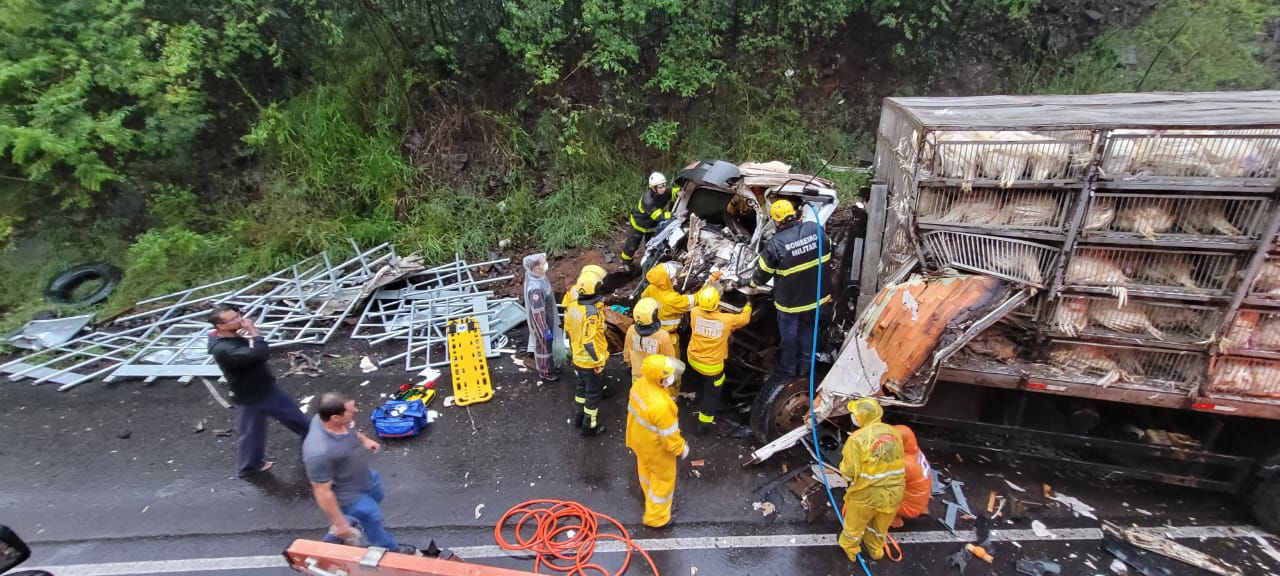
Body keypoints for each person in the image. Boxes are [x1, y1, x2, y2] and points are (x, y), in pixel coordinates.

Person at [303, 393, 416, 554]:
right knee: (373, 520)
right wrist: (339, 523)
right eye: (351, 410)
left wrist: (364, 440)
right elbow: (322, 492)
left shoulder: (333, 420)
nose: (355, 410)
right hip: (351, 497)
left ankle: (345, 527)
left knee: (376, 499)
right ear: (335, 417)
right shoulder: (318, 452)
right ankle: (390, 549)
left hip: (366, 478)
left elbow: (350, 430)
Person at [207, 304, 309, 478]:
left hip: (263, 386)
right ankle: (250, 467)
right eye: (233, 319)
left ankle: (310, 435)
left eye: (238, 315)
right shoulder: (224, 349)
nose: (240, 319)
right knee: (252, 432)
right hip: (251, 394)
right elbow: (259, 354)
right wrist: (254, 331)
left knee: (292, 415)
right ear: (221, 326)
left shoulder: (227, 337)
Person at [750, 199, 832, 383]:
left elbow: (761, 275)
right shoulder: (814, 229)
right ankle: (805, 370)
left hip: (791, 305)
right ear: (795, 214)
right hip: (817, 299)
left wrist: (749, 283)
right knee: (808, 333)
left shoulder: (775, 244)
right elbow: (828, 246)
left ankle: (787, 373)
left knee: (789, 339)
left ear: (777, 221)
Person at [837, 398, 905, 564]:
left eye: (854, 414)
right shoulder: (893, 432)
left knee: (854, 526)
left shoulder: (857, 439)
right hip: (895, 492)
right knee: (880, 526)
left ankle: (851, 549)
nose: (853, 416)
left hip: (867, 495)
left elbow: (849, 471)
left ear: (861, 417)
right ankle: (876, 550)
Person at [626, 354, 689, 528]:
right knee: (663, 481)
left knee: (645, 470)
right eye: (667, 375)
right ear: (659, 379)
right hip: (657, 449)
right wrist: (681, 449)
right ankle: (657, 518)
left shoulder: (640, 385)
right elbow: (669, 437)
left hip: (638, 440)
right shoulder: (662, 405)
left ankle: (648, 494)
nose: (671, 378)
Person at [687, 285, 751, 435]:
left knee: (703, 380)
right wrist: (748, 304)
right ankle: (704, 424)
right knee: (712, 394)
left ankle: (698, 393)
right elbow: (744, 319)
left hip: (693, 358)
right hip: (711, 367)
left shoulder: (695, 313)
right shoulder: (726, 320)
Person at [565, 270, 609, 436]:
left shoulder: (573, 306)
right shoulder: (591, 313)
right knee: (593, 394)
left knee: (581, 390)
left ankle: (578, 418)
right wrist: (598, 362)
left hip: (578, 358)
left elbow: (569, 329)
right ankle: (589, 426)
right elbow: (588, 341)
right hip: (590, 363)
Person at [621, 172, 676, 270]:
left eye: (664, 185)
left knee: (651, 245)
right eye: (660, 186)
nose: (663, 188)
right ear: (653, 188)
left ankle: (648, 264)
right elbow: (658, 216)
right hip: (639, 225)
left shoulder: (662, 191)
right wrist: (673, 215)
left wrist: (679, 192)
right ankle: (626, 263)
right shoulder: (648, 200)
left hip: (651, 226)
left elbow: (671, 191)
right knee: (632, 245)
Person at [522, 253, 560, 382]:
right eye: (543, 263)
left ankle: (549, 365)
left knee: (546, 346)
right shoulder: (535, 289)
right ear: (536, 268)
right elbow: (538, 313)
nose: (546, 265)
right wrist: (544, 330)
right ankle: (545, 371)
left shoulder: (535, 276)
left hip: (546, 317)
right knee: (543, 347)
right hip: (541, 322)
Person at [623, 298, 677, 384]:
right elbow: (669, 360)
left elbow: (627, 352)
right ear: (654, 315)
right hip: (656, 380)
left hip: (637, 379)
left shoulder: (631, 330)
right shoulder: (663, 335)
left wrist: (630, 365)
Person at [892, 424, 932, 528]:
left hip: (909, 507)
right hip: (919, 497)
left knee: (872, 495)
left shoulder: (903, 464)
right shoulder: (913, 450)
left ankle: (893, 519)